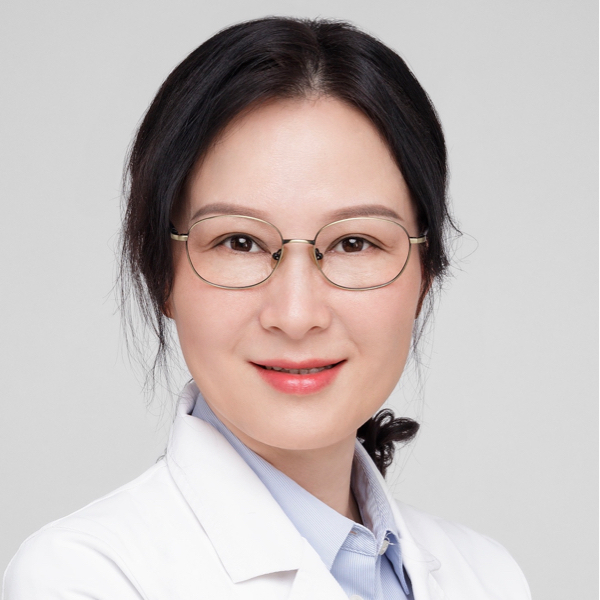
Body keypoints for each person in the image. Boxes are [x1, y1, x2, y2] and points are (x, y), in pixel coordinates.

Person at [2, 16, 531, 600]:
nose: (297, 314)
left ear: (425, 274)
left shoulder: (489, 576)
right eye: (239, 242)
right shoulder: (83, 577)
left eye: (354, 243)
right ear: (162, 275)